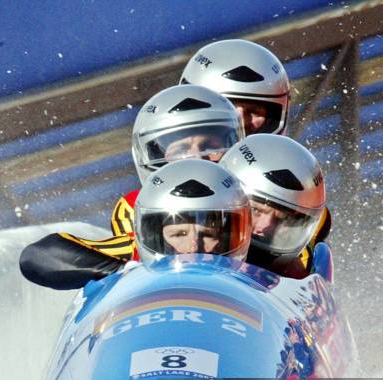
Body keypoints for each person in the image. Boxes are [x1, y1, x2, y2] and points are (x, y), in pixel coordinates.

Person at [20, 86, 244, 289]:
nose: (197, 158)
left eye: (210, 147)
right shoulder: (139, 208)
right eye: (180, 150)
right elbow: (39, 257)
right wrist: (122, 272)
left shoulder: (259, 199)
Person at [220, 134, 329, 279]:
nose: (264, 227)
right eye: (255, 210)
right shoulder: (188, 241)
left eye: (283, 220)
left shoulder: (297, 280)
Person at [135, 158, 251, 265]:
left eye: (208, 235)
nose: (194, 248)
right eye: (180, 234)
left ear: (226, 240)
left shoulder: (255, 282)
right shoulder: (128, 283)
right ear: (154, 238)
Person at [180, 39, 290, 136]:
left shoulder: (295, 159)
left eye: (254, 111)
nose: (240, 122)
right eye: (226, 108)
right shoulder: (170, 156)